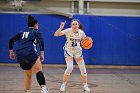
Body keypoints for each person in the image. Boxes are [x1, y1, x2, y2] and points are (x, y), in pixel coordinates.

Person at [9, 15, 49, 93]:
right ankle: (44, 89)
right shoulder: (36, 32)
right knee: (38, 71)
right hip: (30, 52)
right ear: (36, 24)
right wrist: (42, 54)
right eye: (37, 24)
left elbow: (11, 40)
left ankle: (27, 91)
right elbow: (41, 42)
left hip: (20, 54)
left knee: (28, 75)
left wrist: (11, 52)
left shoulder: (21, 32)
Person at [54, 19, 90, 92]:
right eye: (73, 24)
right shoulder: (68, 30)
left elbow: (85, 41)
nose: (74, 26)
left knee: (83, 69)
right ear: (71, 25)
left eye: (76, 24)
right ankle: (63, 85)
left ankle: (85, 86)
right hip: (69, 50)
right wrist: (61, 27)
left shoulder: (82, 33)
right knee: (70, 68)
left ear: (78, 25)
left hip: (78, 51)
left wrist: (89, 41)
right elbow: (56, 34)